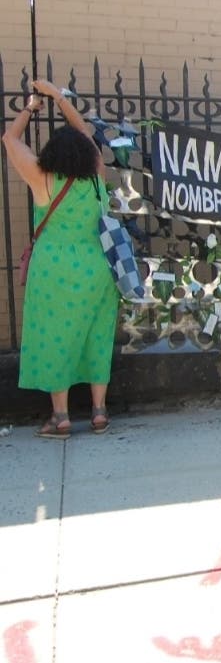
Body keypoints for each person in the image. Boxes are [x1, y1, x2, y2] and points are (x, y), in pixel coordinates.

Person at [2, 79, 120, 437]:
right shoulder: (97, 176)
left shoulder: (43, 178)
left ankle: (61, 416)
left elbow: (9, 141)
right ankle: (99, 411)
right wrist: (59, 97)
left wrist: (30, 108)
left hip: (53, 266)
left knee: (56, 337)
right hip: (97, 265)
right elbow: (84, 133)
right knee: (97, 335)